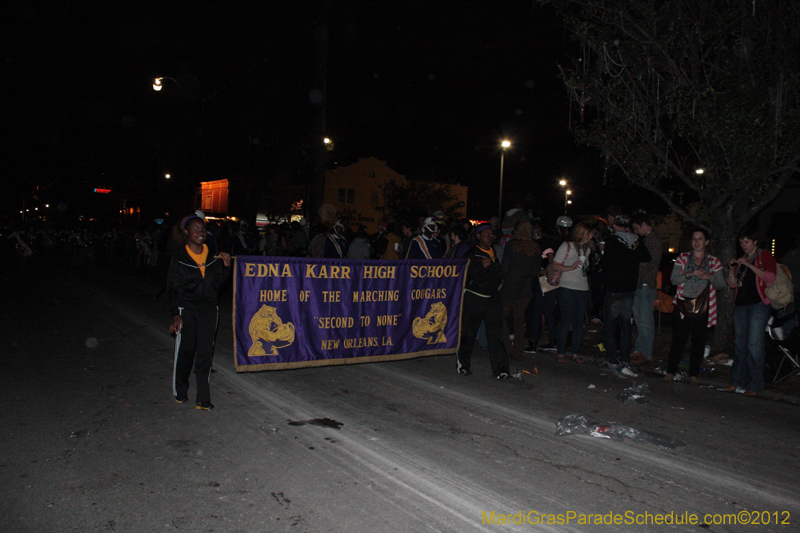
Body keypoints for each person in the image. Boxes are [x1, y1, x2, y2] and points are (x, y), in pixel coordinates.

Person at [168, 215, 232, 410]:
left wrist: (227, 268)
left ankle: (203, 398)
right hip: (186, 310)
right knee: (186, 352)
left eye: (203, 229)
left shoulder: (213, 257)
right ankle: (181, 389)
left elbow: (218, 285)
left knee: (205, 353)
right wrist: (175, 314)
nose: (200, 233)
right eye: (195, 230)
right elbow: (172, 288)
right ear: (186, 232)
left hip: (209, 310)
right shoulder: (179, 259)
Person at [664, 229, 725, 384]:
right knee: (679, 339)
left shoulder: (713, 261)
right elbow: (674, 280)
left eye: (700, 239)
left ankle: (694, 374)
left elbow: (721, 284)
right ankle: (671, 371)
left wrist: (708, 276)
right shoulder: (683, 258)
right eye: (694, 239)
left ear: (706, 242)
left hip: (704, 305)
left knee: (699, 341)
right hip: (683, 304)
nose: (697, 242)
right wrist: (689, 274)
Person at [456, 223, 511, 379]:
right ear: (478, 236)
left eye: (492, 235)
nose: (489, 237)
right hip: (474, 298)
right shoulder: (472, 254)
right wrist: (481, 268)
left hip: (492, 299)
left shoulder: (495, 252)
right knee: (468, 333)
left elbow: (499, 273)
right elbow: (465, 276)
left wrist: (500, 282)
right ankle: (463, 365)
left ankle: (501, 370)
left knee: (496, 335)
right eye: (486, 234)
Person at [726, 229, 777, 396]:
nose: (743, 245)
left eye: (746, 242)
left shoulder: (764, 255)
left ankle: (754, 384)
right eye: (741, 242)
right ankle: (736, 381)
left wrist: (748, 264)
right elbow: (733, 285)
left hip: (758, 304)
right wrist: (732, 269)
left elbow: (770, 277)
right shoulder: (742, 260)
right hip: (740, 305)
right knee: (740, 345)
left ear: (755, 242)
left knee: (754, 345)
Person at [600, 214, 651, 376]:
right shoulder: (636, 241)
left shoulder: (612, 240)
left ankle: (612, 359)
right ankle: (625, 359)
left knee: (609, 324)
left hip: (615, 287)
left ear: (615, 225)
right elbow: (646, 257)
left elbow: (606, 263)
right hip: (630, 288)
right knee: (625, 325)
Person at [551, 222, 592, 363]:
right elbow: (555, 264)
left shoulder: (587, 249)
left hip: (582, 288)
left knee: (579, 322)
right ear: (581, 234)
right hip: (567, 287)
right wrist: (570, 267)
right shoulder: (566, 246)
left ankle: (575, 353)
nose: (591, 236)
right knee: (566, 320)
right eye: (589, 233)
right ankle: (560, 352)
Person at [500, 220, 541, 361]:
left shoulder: (512, 245)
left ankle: (505, 348)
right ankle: (517, 351)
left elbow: (505, 267)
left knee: (502, 317)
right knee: (519, 319)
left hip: (510, 286)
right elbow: (536, 270)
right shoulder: (535, 248)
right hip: (525, 288)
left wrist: (502, 280)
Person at [631, 212, 664, 364]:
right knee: (639, 319)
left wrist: (632, 260)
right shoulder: (645, 239)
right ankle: (640, 349)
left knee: (645, 321)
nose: (636, 231)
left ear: (644, 225)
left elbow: (650, 262)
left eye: (637, 228)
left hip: (646, 284)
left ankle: (646, 352)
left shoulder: (655, 240)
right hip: (639, 284)